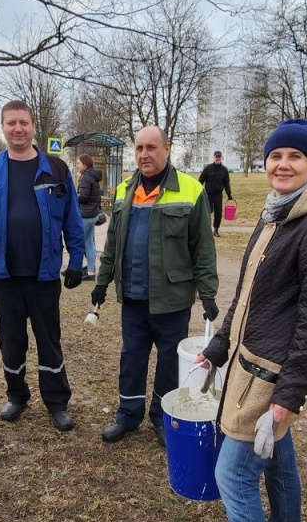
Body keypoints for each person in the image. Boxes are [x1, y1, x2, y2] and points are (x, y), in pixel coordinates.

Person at [194, 119, 307, 522]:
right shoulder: (275, 214)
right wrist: (219, 346)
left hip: (268, 378)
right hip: (248, 364)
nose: (283, 164)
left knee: (235, 478)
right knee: (279, 463)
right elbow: (244, 299)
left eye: (295, 156)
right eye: (276, 156)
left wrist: (289, 394)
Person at [91, 126, 219, 447]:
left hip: (172, 299)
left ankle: (163, 418)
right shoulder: (123, 191)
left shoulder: (191, 190)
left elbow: (202, 248)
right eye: (139, 148)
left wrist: (208, 295)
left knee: (167, 361)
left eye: (151, 147)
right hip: (133, 297)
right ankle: (128, 415)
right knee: (131, 356)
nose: (144, 154)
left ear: (167, 148)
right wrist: (101, 284)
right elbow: (112, 246)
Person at [0, 99, 85, 432]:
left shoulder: (57, 170)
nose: (18, 129)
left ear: (33, 126)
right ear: (3, 128)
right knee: (11, 339)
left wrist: (76, 262)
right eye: (11, 123)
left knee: (49, 339)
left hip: (44, 274)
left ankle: (57, 402)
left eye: (24, 123)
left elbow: (72, 221)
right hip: (6, 276)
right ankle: (17, 396)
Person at [76, 154, 104, 281]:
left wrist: (72, 197)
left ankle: (78, 270)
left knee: (79, 242)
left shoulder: (86, 177)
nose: (77, 165)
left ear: (85, 165)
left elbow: (83, 196)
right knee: (89, 244)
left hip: (85, 214)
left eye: (78, 163)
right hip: (92, 213)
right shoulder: (92, 175)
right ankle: (90, 271)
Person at [199, 150, 232, 236]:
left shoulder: (224, 170)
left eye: (219, 157)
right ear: (214, 158)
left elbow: (226, 183)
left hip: (218, 195)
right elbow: (201, 180)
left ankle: (216, 230)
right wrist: (200, 191)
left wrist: (229, 194)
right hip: (208, 194)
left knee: (218, 214)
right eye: (216, 157)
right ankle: (205, 230)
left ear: (221, 158)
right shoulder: (208, 168)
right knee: (207, 212)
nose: (218, 158)